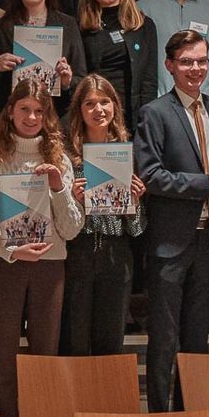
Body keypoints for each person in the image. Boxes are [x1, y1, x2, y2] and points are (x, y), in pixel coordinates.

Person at [0, 77, 84, 417]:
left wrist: (57, 189)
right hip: (5, 266)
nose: (32, 117)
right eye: (24, 110)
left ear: (48, 115)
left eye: (39, 111)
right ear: (10, 112)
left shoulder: (61, 159)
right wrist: (9, 247)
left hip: (50, 267)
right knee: (2, 360)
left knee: (43, 360)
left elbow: (70, 228)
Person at [135, 31, 209, 412]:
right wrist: (206, 181)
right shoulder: (155, 112)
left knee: (197, 339)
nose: (196, 69)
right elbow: (151, 176)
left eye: (202, 61)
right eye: (188, 62)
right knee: (164, 338)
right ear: (170, 66)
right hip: (171, 242)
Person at [62, 74, 145, 356]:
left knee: (110, 345)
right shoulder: (65, 156)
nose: (98, 110)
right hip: (77, 255)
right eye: (90, 104)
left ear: (115, 107)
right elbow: (59, 220)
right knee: (75, 343)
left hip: (116, 256)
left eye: (105, 102)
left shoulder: (127, 153)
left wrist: (135, 202)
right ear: (80, 111)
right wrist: (71, 200)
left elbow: (136, 230)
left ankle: (106, 402)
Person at [75, 0, 158, 124]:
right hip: (95, 117)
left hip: (134, 117)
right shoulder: (80, 27)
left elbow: (149, 81)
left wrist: (146, 122)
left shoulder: (144, 25)